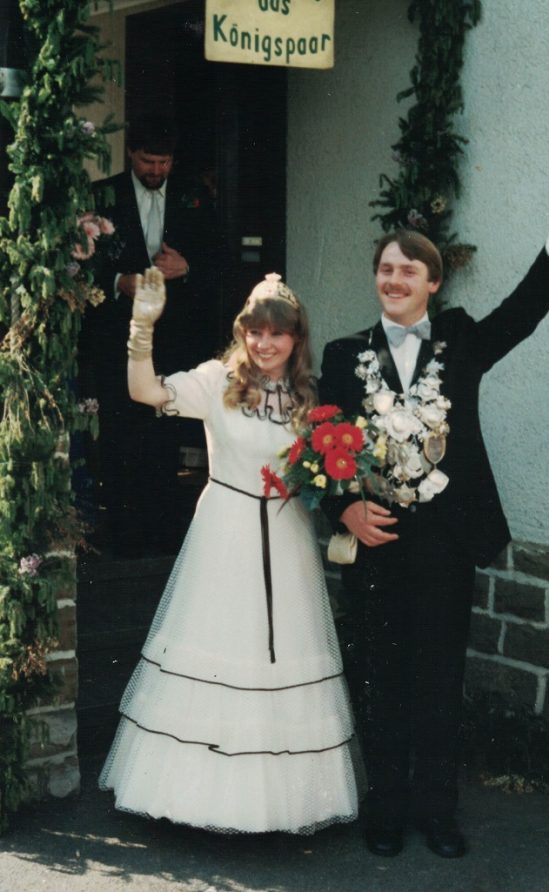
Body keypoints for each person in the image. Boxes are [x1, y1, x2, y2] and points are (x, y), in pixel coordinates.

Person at [317, 167, 549, 857]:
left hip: (445, 543)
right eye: (385, 269)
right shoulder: (343, 354)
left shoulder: (462, 340)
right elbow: (323, 447)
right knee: (381, 677)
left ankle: (437, 811)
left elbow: (523, 312)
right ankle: (386, 807)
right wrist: (344, 511)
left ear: (433, 283)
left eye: (408, 270)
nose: (394, 280)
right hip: (377, 541)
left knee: (440, 679)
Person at [99, 268, 358, 833]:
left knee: (282, 658)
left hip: (288, 540)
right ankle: (199, 800)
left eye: (277, 333)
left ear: (296, 337)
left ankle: (285, 803)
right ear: (242, 332)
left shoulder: (309, 397)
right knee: (218, 650)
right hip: (224, 534)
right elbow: (145, 391)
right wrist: (142, 327)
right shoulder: (219, 381)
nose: (264, 343)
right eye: (254, 331)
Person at [82, 114, 220, 556]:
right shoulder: (101, 196)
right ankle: (120, 538)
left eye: (164, 162)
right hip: (117, 340)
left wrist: (187, 267)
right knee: (120, 434)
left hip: (174, 340)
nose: (157, 170)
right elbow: (81, 267)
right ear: (131, 154)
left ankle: (163, 539)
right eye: (148, 161)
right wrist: (118, 282)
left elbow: (219, 258)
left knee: (165, 434)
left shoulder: (193, 195)